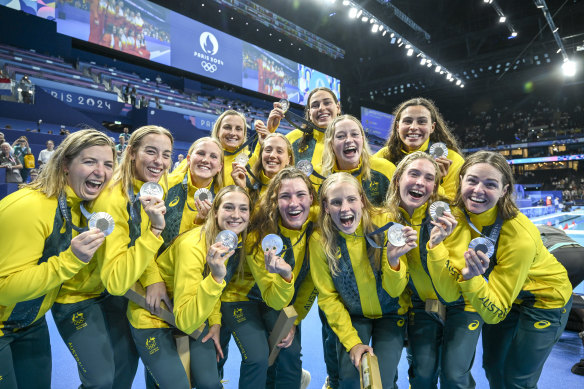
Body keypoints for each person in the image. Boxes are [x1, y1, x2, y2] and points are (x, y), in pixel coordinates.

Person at [428, 151, 572, 388]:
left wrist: (472, 279)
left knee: (517, 379)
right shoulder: (455, 215)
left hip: (544, 300)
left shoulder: (518, 236)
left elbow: (493, 313)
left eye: (490, 184)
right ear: (461, 179)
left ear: (504, 190)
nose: (478, 190)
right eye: (472, 180)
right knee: (494, 368)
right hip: (505, 295)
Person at [0, 129, 114, 388]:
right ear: (65, 165)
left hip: (30, 322)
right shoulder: (29, 207)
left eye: (107, 164)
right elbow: (3, 291)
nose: (101, 171)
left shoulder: (77, 207)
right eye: (89, 161)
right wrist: (72, 259)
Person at [130, 185, 249, 389]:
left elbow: (207, 285)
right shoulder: (193, 247)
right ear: (215, 211)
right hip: (153, 313)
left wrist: (215, 322)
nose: (236, 215)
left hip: (189, 308)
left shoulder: (225, 240)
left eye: (243, 209)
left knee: (210, 384)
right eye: (229, 207)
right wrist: (216, 279)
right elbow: (187, 321)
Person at [384, 151, 483, 388]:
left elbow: (450, 293)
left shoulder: (451, 217)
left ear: (435, 186)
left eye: (429, 178)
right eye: (414, 174)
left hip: (462, 304)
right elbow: (394, 287)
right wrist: (392, 261)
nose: (420, 182)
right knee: (422, 376)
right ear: (398, 179)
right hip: (422, 305)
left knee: (454, 376)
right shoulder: (388, 221)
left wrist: (436, 246)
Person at [310, 172, 412, 389]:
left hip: (392, 314)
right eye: (336, 202)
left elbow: (396, 291)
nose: (345, 208)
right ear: (326, 207)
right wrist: (353, 343)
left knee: (381, 382)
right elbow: (328, 298)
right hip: (354, 316)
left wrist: (393, 261)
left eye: (351, 199)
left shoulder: (386, 223)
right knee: (350, 380)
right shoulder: (320, 241)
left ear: (363, 201)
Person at [91, 125, 174, 387]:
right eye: (151, 152)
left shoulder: (158, 182)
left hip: (133, 285)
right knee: (116, 375)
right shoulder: (112, 199)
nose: (159, 161)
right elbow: (115, 281)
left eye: (166, 155)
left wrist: (153, 277)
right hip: (102, 295)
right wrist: (155, 233)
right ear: (131, 153)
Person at [229, 167, 318, 389]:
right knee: (257, 359)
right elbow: (273, 299)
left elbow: (310, 284)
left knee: (290, 352)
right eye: (285, 196)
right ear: (275, 201)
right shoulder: (257, 237)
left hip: (279, 298)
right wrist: (285, 275)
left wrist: (293, 320)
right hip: (246, 297)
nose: (294, 203)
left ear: (311, 198)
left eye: (300, 195)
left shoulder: (317, 229)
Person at [375, 97, 464, 200]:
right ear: (398, 126)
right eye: (407, 121)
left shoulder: (452, 159)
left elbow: (452, 207)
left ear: (432, 127)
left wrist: (434, 183)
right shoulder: (383, 156)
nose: (413, 127)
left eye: (421, 122)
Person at [159, 137, 224, 254]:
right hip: (159, 267)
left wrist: (201, 222)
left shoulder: (222, 199)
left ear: (220, 166)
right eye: (200, 153)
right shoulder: (166, 185)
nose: (205, 160)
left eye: (213, 156)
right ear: (188, 159)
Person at [318, 114, 396, 206]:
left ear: (362, 140)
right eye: (341, 136)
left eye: (354, 134)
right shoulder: (319, 175)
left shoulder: (386, 169)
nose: (349, 140)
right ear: (331, 143)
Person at [266, 87, 341, 167]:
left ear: (338, 108)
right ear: (310, 114)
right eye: (315, 105)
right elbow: (266, 168)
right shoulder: (292, 139)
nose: (321, 108)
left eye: (327, 103)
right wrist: (269, 133)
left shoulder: (350, 139)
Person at [231, 132, 294, 203]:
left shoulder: (295, 190)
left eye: (279, 151)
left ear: (289, 159)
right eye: (268, 150)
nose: (272, 155)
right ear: (261, 155)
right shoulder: (246, 182)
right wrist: (242, 189)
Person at [211, 110, 258, 186]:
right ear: (218, 132)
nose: (233, 133)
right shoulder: (204, 156)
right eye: (227, 127)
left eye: (238, 129)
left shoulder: (252, 158)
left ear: (244, 134)